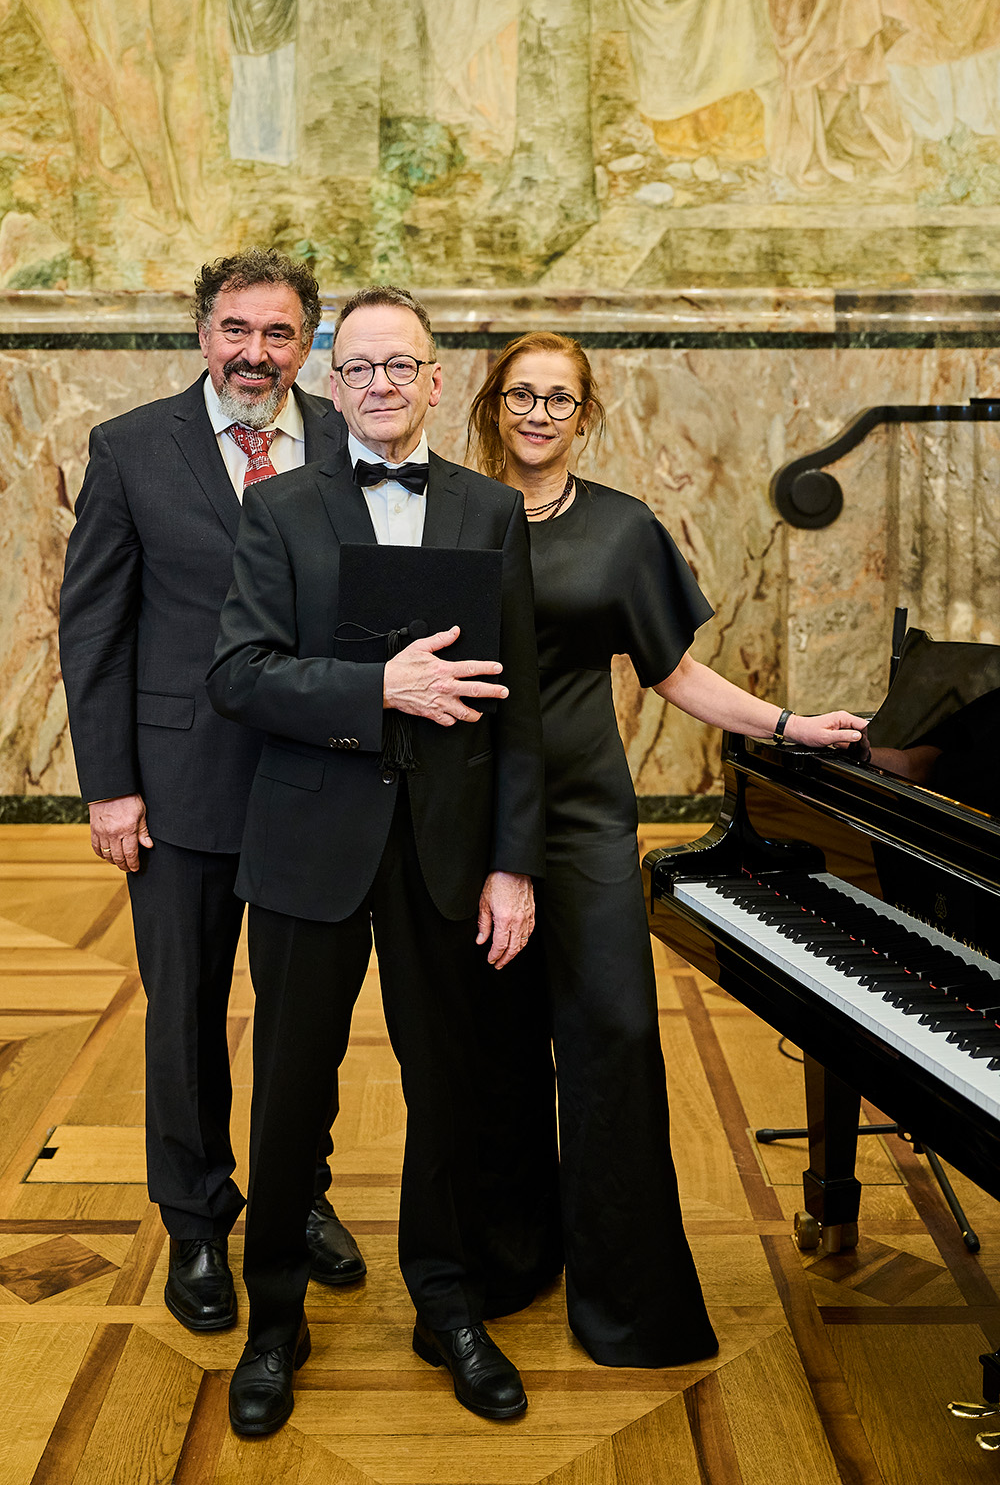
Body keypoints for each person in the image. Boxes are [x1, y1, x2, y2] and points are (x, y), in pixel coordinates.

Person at [465, 331, 868, 1367]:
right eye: (522, 394)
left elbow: (673, 672)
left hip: (588, 815)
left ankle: (628, 1300)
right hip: (470, 817)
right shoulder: (450, 520)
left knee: (611, 1042)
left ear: (586, 415)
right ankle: (506, 1269)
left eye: (561, 397)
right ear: (493, 407)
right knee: (495, 1055)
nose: (540, 412)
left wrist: (786, 725)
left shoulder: (622, 529)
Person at [206, 284, 546, 1435]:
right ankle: (273, 1322)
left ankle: (446, 1302)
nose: (382, 387)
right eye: (359, 368)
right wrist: (374, 689)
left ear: (437, 381)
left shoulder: (492, 510)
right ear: (330, 381)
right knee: (291, 1091)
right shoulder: (281, 506)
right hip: (309, 842)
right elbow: (238, 675)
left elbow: (520, 714)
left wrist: (512, 862)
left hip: (447, 851)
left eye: (403, 367)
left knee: (445, 1086)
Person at [58, 248, 365, 1340]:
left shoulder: (344, 441)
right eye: (236, 329)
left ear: (307, 345)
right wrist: (108, 788)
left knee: (301, 1023)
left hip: (313, 782)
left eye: (279, 333)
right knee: (185, 1015)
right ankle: (195, 1221)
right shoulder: (133, 449)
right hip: (177, 787)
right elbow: (93, 628)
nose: (254, 352)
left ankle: (296, 1195)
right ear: (201, 333)